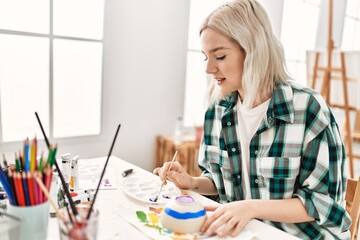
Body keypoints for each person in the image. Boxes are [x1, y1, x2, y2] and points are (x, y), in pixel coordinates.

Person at [154, 0, 351, 239]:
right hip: (242, 233)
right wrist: (192, 182)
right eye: (206, 57)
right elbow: (219, 182)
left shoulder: (308, 109)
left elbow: (323, 203)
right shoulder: (217, 110)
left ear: (254, 50)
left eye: (221, 56)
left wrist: (251, 207)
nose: (209, 69)